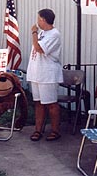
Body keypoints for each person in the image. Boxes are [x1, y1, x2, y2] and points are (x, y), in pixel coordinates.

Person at [27, 9, 63, 141]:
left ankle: (55, 130)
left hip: (48, 75)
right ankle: (38, 130)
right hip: (37, 73)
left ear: (43, 20)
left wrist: (34, 32)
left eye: (38, 19)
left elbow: (39, 48)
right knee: (38, 103)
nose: (37, 22)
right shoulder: (43, 33)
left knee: (51, 103)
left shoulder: (54, 34)